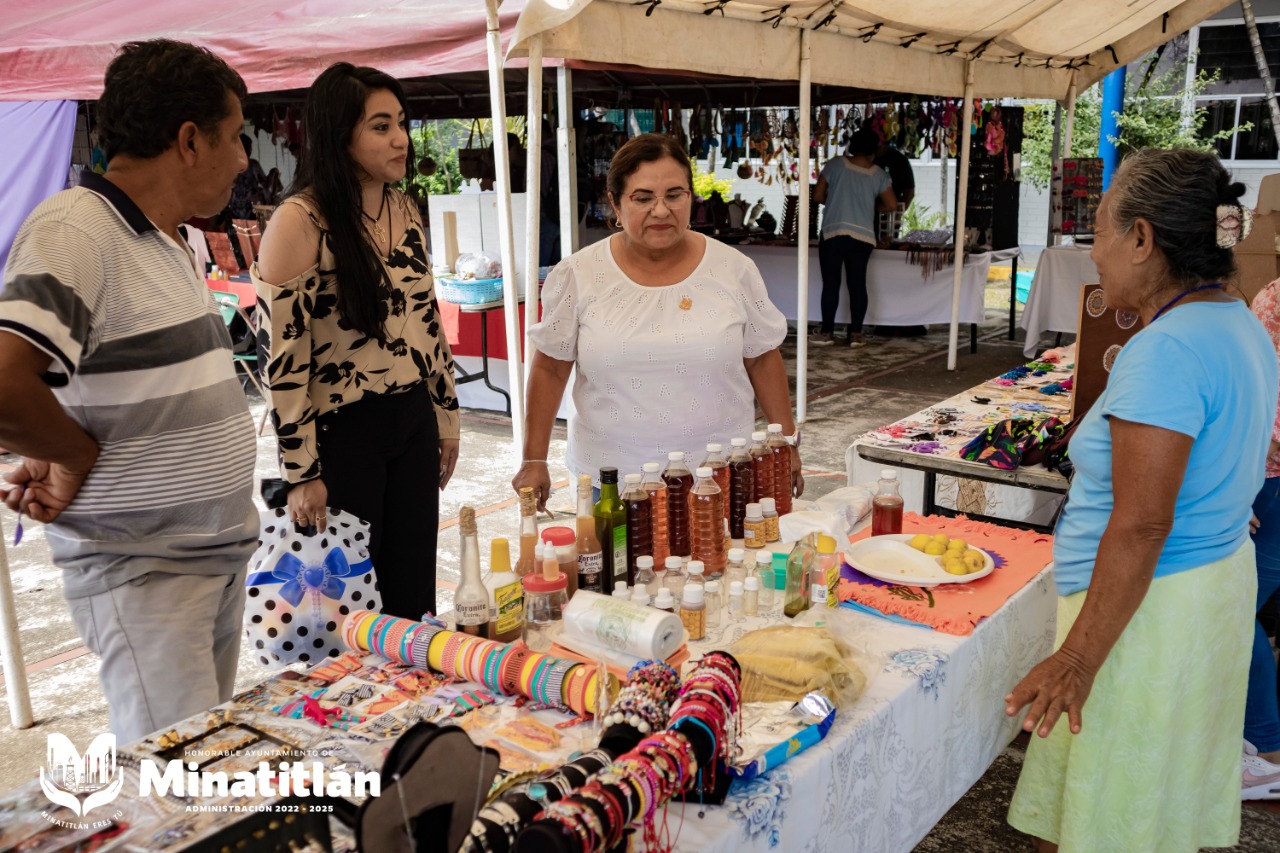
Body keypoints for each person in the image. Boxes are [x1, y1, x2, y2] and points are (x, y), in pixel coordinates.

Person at [1004, 148, 1276, 852]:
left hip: (1145, 615)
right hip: (1202, 591)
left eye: (1098, 232)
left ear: (1142, 239)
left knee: (1103, 819)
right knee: (1143, 808)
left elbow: (1144, 520)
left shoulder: (1169, 349)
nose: (1092, 253)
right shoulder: (1237, 319)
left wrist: (1077, 659)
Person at [0, 39, 257, 742]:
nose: (243, 159)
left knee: (200, 774)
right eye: (235, 137)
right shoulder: (76, 230)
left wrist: (59, 441)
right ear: (188, 140)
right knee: (178, 797)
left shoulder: (163, 238)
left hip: (202, 563)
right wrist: (72, 453)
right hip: (146, 575)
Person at [253, 62, 460, 621]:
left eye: (402, 123)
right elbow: (285, 359)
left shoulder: (402, 207)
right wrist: (302, 473)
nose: (401, 140)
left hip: (411, 418)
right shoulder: (300, 220)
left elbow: (426, 322)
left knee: (414, 589)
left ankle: (417, 700)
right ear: (340, 133)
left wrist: (445, 415)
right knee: (348, 605)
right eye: (380, 126)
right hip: (343, 433)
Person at [512, 133, 802, 507]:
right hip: (612, 483)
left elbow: (761, 357)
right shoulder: (579, 275)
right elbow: (551, 368)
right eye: (643, 198)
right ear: (615, 203)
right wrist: (534, 459)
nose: (661, 210)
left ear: (691, 198)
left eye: (674, 195)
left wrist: (787, 444)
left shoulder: (733, 269)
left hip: (721, 476)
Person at [1243, 276, 1280, 798]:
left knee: (1237, 605)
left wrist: (1239, 475)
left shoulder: (1274, 298)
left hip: (1267, 476)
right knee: (1246, 604)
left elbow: (1254, 392)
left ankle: (1264, 745)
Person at [812, 128, 897, 349]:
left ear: (851, 145)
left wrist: (836, 202)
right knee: (857, 284)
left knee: (831, 283)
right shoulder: (878, 174)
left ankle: (827, 332)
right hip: (863, 235)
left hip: (833, 231)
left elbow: (818, 195)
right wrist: (870, 206)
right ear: (873, 150)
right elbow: (891, 204)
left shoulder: (836, 164)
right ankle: (856, 334)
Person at [874, 140, 915, 209]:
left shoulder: (899, 160)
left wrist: (898, 213)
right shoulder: (866, 160)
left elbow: (909, 192)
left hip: (888, 213)